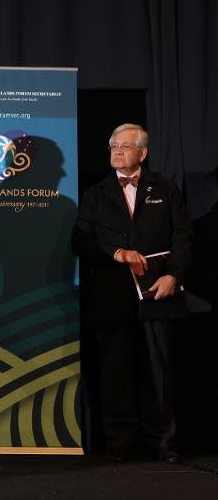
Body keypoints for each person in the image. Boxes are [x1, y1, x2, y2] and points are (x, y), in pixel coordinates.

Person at [72, 123, 192, 463]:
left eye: (125, 146)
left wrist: (173, 276)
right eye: (113, 146)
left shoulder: (166, 190)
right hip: (112, 297)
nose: (117, 151)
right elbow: (80, 241)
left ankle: (163, 442)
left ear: (142, 153)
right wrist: (115, 253)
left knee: (160, 372)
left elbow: (184, 238)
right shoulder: (95, 194)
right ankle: (119, 444)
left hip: (159, 295)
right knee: (115, 373)